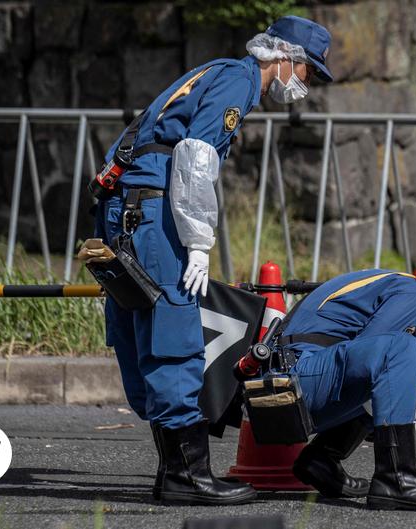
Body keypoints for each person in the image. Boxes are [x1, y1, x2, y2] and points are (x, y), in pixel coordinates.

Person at [93, 15, 334, 505]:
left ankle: (174, 471)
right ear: (286, 57)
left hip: (128, 206)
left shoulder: (214, 70)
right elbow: (196, 157)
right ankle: (188, 475)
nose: (305, 85)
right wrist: (199, 241)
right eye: (308, 73)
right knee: (175, 328)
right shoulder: (239, 81)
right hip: (155, 208)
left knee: (142, 323)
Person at [279, 269, 416, 510]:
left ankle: (321, 459)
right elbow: (375, 362)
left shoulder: (401, 291)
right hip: (293, 381)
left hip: (297, 379)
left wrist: (411, 405)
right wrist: (413, 405)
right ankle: (397, 481)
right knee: (400, 350)